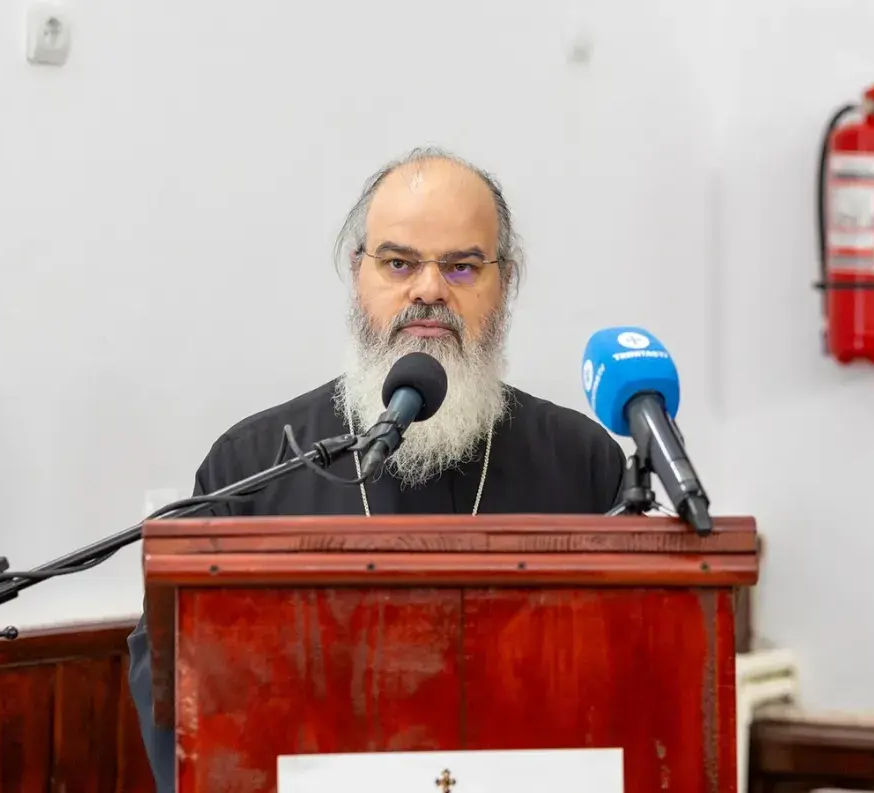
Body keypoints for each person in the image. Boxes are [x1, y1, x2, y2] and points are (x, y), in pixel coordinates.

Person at [125, 147, 627, 790]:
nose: (429, 290)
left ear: (505, 284)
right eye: (399, 263)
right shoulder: (252, 466)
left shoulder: (582, 463)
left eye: (462, 266)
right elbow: (174, 672)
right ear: (358, 275)